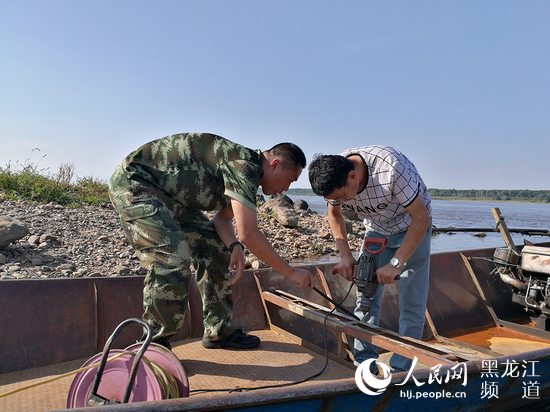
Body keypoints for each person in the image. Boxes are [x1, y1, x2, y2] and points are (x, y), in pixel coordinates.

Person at [109, 132, 314, 350]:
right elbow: (249, 233)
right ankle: (153, 343)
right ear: (275, 164)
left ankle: (219, 331)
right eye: (290, 180)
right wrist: (290, 272)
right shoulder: (243, 166)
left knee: (215, 248)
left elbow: (222, 220)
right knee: (172, 257)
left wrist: (234, 246)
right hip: (137, 183)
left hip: (169, 197)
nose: (286, 189)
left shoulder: (248, 174)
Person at [308, 145, 432, 372]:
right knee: (365, 298)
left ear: (352, 176)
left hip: (413, 228)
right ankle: (364, 363)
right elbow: (334, 215)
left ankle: (401, 369)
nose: (342, 201)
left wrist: (396, 263)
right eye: (336, 198)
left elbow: (421, 218)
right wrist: (346, 256)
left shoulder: (391, 168)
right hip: (376, 231)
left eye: (343, 196)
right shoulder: (335, 173)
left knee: (411, 304)